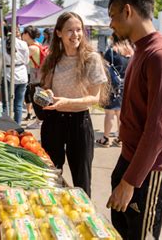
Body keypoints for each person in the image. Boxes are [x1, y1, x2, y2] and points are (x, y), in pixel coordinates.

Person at [105, 0, 162, 240]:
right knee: (121, 226)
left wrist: (130, 182)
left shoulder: (161, 56)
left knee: (141, 234)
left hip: (155, 167)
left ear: (128, 11)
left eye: (112, 16)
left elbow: (156, 131)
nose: (111, 24)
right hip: (133, 157)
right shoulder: (141, 50)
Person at [39, 12, 108, 196]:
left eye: (79, 30)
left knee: (82, 181)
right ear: (59, 33)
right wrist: (47, 94)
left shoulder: (91, 59)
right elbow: (45, 88)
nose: (75, 34)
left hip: (79, 122)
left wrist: (67, 102)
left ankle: (84, 218)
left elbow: (95, 98)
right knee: (50, 176)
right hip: (54, 122)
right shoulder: (52, 58)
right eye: (69, 30)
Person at [96, 33, 134, 148]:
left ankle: (105, 139)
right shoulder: (132, 51)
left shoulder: (111, 52)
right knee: (120, 113)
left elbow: (105, 69)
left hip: (113, 86)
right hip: (126, 85)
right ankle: (120, 138)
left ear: (113, 38)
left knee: (109, 113)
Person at [0, 28, 29, 125]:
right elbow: (26, 61)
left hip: (8, 75)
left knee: (6, 104)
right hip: (22, 75)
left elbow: (0, 61)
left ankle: (5, 126)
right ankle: (17, 128)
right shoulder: (23, 44)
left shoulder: (2, 45)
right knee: (18, 105)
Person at [21, 25, 43, 125]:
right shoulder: (37, 44)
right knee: (39, 99)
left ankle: (39, 120)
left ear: (28, 35)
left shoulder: (31, 48)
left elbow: (21, 59)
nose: (22, 35)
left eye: (24, 33)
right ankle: (39, 119)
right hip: (40, 75)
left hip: (36, 76)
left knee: (36, 100)